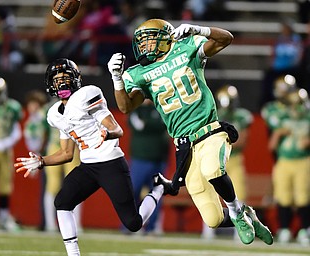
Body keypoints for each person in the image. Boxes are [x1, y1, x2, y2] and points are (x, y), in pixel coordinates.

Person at [107, 18, 273, 245]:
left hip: (210, 131)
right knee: (212, 218)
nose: (143, 47)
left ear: (164, 39)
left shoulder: (185, 49)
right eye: (141, 43)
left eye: (148, 41)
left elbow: (226, 38)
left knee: (213, 169)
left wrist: (200, 29)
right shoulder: (140, 73)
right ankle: (247, 214)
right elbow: (126, 106)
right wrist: (116, 79)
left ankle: (235, 211)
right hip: (184, 145)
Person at [14, 58, 170, 256]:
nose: (61, 83)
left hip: (110, 162)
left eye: (65, 77)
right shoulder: (54, 113)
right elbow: (67, 153)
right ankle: (73, 254)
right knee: (62, 202)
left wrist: (108, 134)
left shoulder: (88, 94)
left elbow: (117, 129)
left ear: (76, 79)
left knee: (133, 223)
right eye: (57, 79)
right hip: (88, 166)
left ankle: (160, 188)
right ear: (49, 83)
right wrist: (42, 161)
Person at [261, 76, 310, 245]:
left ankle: (305, 229)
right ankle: (284, 229)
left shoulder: (305, 115)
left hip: (302, 159)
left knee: (303, 196)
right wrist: (278, 133)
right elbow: (272, 142)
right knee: (283, 196)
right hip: (284, 159)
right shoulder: (278, 113)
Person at [202, 84, 253, 240]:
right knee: (211, 195)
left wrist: (221, 141)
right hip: (217, 158)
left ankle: (241, 233)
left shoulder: (241, 116)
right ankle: (208, 231)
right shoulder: (215, 114)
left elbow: (242, 141)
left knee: (239, 195)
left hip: (234, 159)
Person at [125, 98, 170, 235]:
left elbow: (163, 125)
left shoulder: (161, 108)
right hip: (140, 159)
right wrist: (154, 125)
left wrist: (149, 124)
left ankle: (153, 226)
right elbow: (139, 126)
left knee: (156, 194)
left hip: (159, 158)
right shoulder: (135, 110)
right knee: (133, 193)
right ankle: (132, 225)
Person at [0, 76, 22, 231]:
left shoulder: (12, 106)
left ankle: (3, 218)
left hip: (6, 149)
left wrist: (7, 142)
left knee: (5, 185)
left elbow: (16, 127)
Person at [23, 90, 50, 230]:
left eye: (33, 104)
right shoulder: (33, 118)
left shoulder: (42, 116)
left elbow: (45, 135)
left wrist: (39, 154)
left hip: (46, 156)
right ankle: (45, 221)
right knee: (44, 189)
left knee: (48, 189)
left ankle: (47, 222)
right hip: (39, 155)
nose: (30, 107)